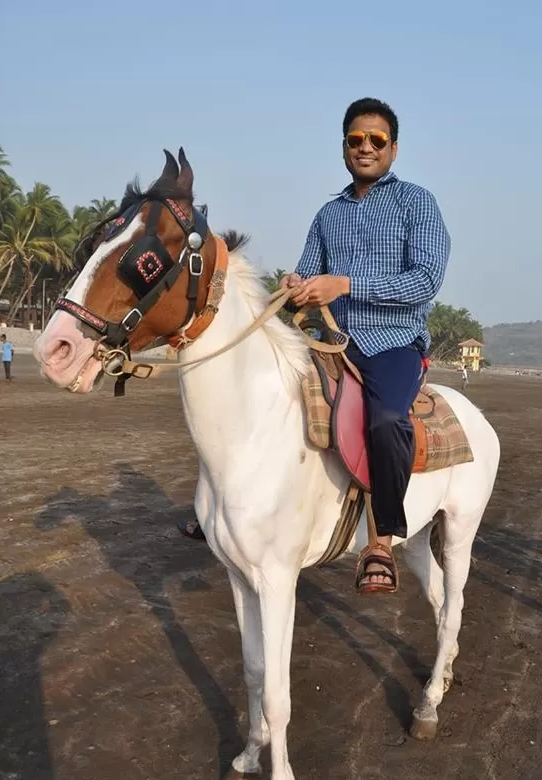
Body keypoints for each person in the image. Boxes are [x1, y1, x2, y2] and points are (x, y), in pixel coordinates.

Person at [178, 97, 451, 594]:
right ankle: (223, 507)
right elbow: (308, 269)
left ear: (393, 148)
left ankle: (382, 539)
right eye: (356, 140)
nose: (365, 148)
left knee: (386, 419)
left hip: (392, 344)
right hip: (328, 342)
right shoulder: (328, 214)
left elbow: (426, 281)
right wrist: (298, 282)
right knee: (256, 396)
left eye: (377, 140)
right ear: (344, 147)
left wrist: (344, 285)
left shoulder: (417, 203)